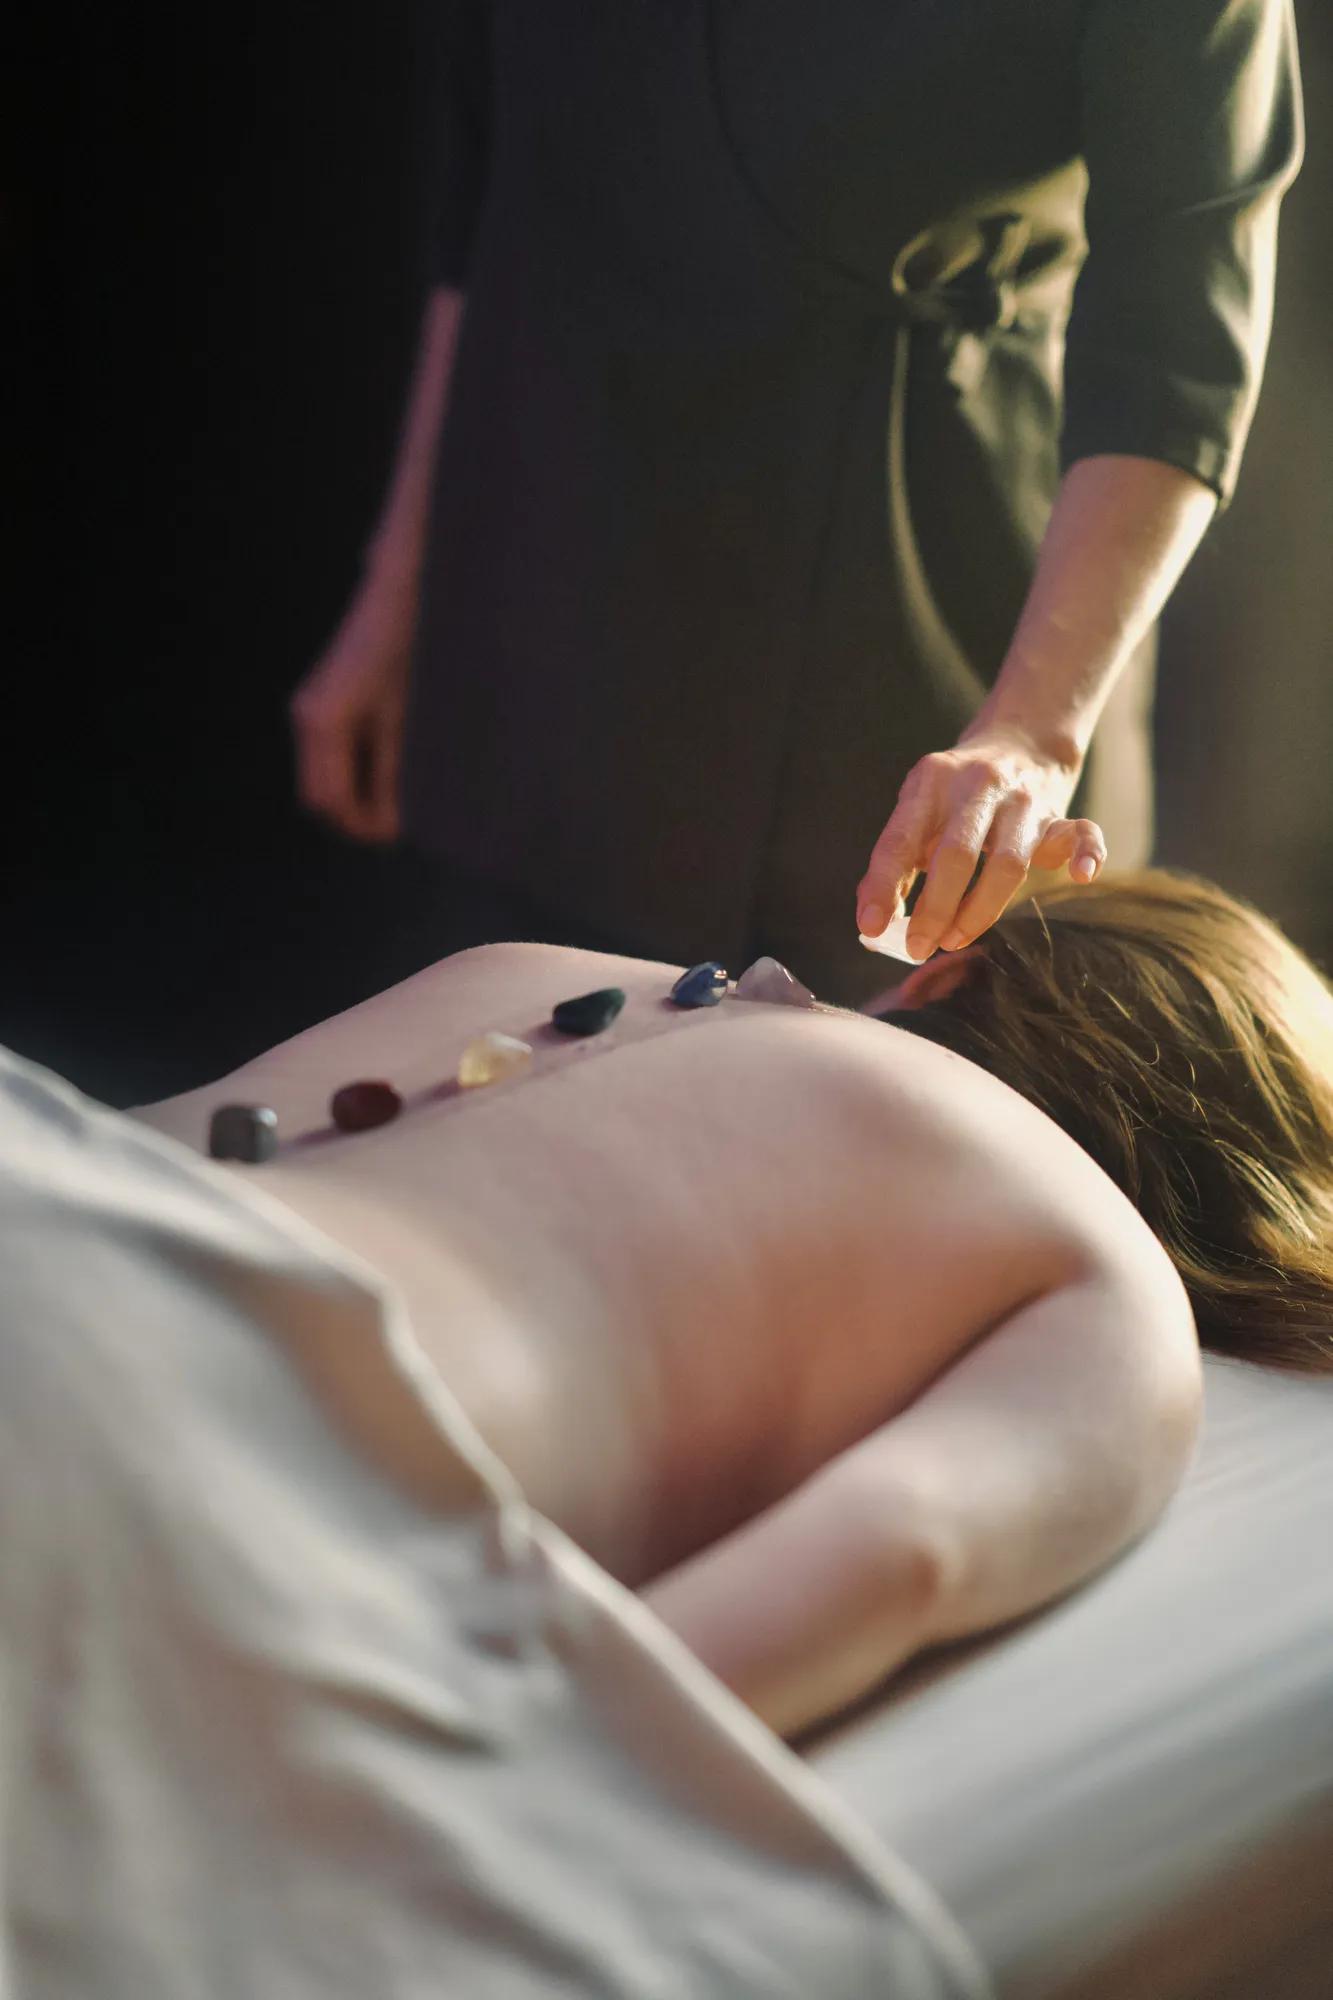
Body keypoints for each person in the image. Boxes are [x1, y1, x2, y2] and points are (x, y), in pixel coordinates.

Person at [134, 865, 1333, 1742]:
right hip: (225, 1472)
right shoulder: (1101, 1280)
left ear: (944, 967)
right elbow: (881, 1567)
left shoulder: (536, 973)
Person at [290, 3, 1302, 1006]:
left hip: (910, 690)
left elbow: (1176, 363)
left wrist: (1032, 736)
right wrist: (397, 586)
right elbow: (492, 196)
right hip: (535, 591)